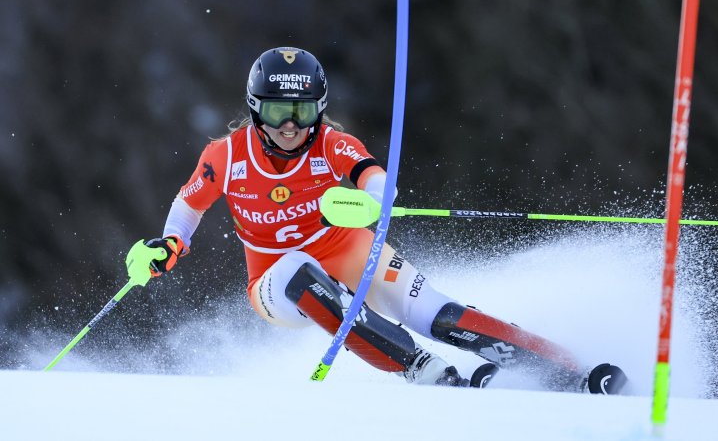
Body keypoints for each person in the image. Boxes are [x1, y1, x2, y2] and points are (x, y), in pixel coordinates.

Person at [145, 46, 626, 392]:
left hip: (349, 250)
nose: (290, 125)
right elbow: (189, 204)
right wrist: (170, 245)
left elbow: (375, 177)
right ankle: (421, 367)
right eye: (276, 111)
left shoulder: (331, 144)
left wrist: (374, 202)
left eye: (301, 111)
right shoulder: (226, 156)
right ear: (255, 110)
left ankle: (570, 371)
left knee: (437, 313)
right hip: (275, 284)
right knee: (298, 271)